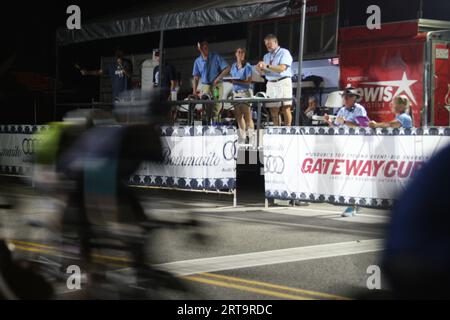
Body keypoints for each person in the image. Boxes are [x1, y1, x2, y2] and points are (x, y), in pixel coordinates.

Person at [255, 34, 294, 126]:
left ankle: (287, 130)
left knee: (285, 107)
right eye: (266, 44)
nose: (268, 45)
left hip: (283, 81)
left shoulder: (284, 52)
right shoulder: (266, 56)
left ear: (276, 42)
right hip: (271, 83)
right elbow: (263, 73)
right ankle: (277, 130)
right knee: (273, 108)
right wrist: (259, 69)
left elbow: (282, 68)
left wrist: (267, 66)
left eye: (269, 43)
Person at [192, 40, 231, 123]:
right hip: (206, 86)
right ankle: (207, 128)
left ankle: (216, 126)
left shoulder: (215, 57)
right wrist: (194, 91)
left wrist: (219, 77)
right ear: (199, 48)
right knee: (206, 108)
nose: (205, 49)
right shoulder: (197, 61)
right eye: (202, 47)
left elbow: (227, 68)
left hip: (216, 85)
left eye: (206, 47)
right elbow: (196, 78)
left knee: (216, 106)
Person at [228, 48, 255, 145]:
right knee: (238, 116)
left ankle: (251, 138)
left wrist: (235, 81)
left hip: (245, 92)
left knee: (248, 117)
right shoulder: (233, 66)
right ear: (235, 54)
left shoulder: (247, 66)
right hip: (236, 93)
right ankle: (242, 137)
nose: (240, 54)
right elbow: (232, 79)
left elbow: (248, 81)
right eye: (238, 52)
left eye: (242, 52)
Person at [153, 50, 178, 123]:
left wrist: (170, 95)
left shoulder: (169, 67)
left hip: (166, 94)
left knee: (168, 113)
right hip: (158, 95)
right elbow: (154, 83)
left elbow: (173, 83)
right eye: (157, 56)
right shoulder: (156, 69)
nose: (158, 57)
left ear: (163, 57)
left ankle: (170, 126)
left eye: (159, 56)